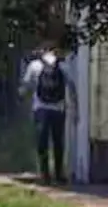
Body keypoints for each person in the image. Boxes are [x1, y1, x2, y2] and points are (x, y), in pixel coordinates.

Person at [21, 45, 76, 184]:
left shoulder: (34, 65)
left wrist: (22, 95)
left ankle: (45, 174)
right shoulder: (63, 66)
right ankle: (59, 174)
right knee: (58, 142)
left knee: (42, 143)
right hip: (59, 108)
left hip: (40, 108)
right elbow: (71, 87)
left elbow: (26, 85)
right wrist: (75, 107)